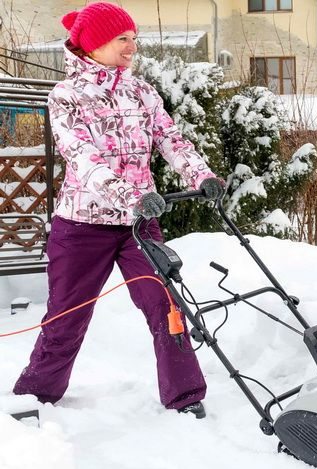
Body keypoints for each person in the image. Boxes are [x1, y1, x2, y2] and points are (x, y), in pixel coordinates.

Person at [12, 2, 225, 419]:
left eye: (133, 38)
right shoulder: (67, 96)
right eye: (122, 39)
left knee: (166, 306)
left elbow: (172, 140)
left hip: (139, 225)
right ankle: (36, 394)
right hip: (81, 226)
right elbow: (83, 158)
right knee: (66, 317)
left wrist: (201, 176)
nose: (132, 47)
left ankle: (185, 397)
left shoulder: (141, 92)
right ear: (94, 44)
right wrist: (129, 195)